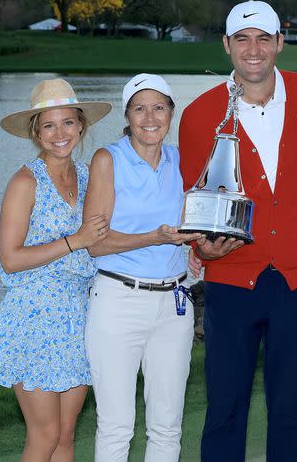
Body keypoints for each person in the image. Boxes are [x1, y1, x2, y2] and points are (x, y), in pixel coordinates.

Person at [179, 0, 297, 462]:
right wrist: (203, 247)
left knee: (290, 412)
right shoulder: (201, 114)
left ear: (281, 42)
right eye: (242, 39)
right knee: (225, 410)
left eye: (264, 38)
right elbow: (195, 200)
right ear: (226, 46)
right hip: (231, 280)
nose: (254, 49)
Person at [0, 78, 111, 461]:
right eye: (49, 125)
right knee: (45, 435)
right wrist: (75, 241)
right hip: (36, 318)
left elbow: (105, 239)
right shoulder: (25, 182)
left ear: (81, 125)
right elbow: (10, 257)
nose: (61, 134)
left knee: (67, 435)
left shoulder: (89, 175)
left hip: (77, 316)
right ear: (36, 132)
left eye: (68, 123)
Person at [83, 73, 203, 462]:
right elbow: (95, 243)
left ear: (171, 112)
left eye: (158, 108)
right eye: (139, 108)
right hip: (118, 300)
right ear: (127, 115)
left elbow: (193, 222)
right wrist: (154, 237)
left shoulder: (181, 160)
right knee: (117, 426)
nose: (149, 117)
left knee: (167, 426)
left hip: (175, 303)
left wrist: (200, 244)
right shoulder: (108, 159)